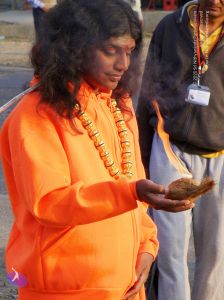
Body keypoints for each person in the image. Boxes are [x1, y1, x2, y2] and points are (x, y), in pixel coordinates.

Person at [0, 0, 193, 299]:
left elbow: (133, 186)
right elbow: (49, 202)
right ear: (74, 48)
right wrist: (131, 193)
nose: (124, 65)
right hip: (64, 291)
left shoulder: (119, 104)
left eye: (128, 52)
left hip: (127, 285)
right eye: (111, 50)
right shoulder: (34, 114)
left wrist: (146, 248)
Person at [137, 0, 224, 299]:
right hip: (170, 149)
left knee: (216, 253)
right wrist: (142, 154)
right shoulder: (169, 28)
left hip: (221, 157)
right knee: (169, 251)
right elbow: (148, 89)